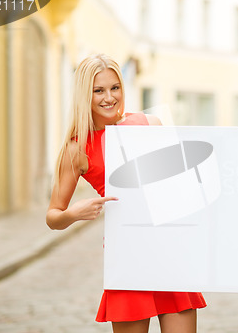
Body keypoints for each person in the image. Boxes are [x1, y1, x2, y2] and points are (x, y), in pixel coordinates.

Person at [46, 54, 206, 333]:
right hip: (128, 256)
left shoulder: (150, 123)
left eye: (115, 88)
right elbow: (53, 215)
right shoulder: (76, 148)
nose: (109, 97)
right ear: (85, 95)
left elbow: (180, 187)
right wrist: (73, 214)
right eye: (98, 90)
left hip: (170, 251)